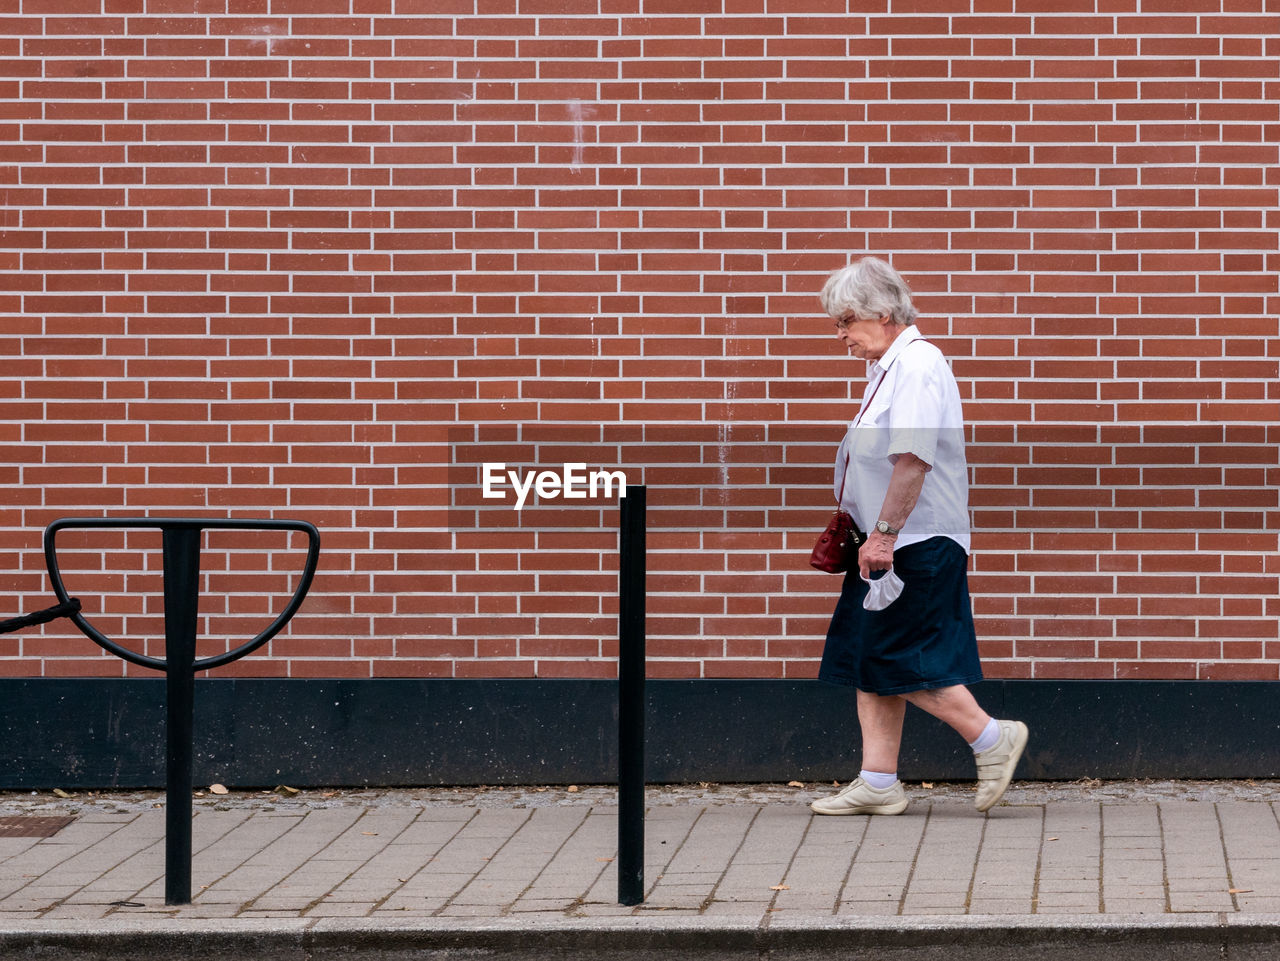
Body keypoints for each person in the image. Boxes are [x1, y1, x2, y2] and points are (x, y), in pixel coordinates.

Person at [810, 256, 1028, 816]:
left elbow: (912, 460)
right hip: (887, 540)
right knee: (870, 654)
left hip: (912, 542)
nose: (841, 335)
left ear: (881, 313)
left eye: (846, 321)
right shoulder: (889, 368)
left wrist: (882, 535)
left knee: (894, 656)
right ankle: (878, 782)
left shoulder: (916, 366)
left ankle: (991, 738)